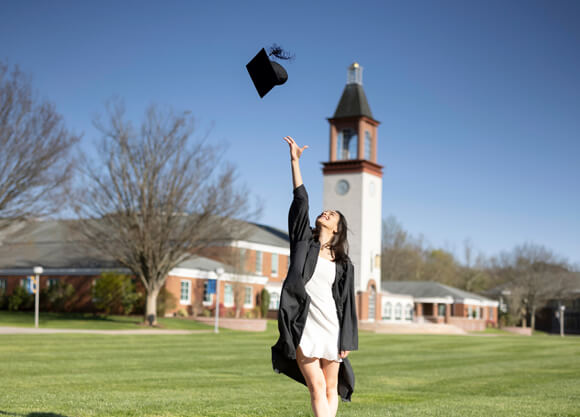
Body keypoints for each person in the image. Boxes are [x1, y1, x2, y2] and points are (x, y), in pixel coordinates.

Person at [271, 136, 358, 417]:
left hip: (332, 327)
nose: (326, 213)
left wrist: (347, 340)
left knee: (331, 388)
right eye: (325, 212)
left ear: (337, 229)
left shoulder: (343, 265)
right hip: (303, 325)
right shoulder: (302, 242)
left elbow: (347, 305)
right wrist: (295, 161)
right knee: (316, 386)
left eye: (332, 215)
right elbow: (301, 200)